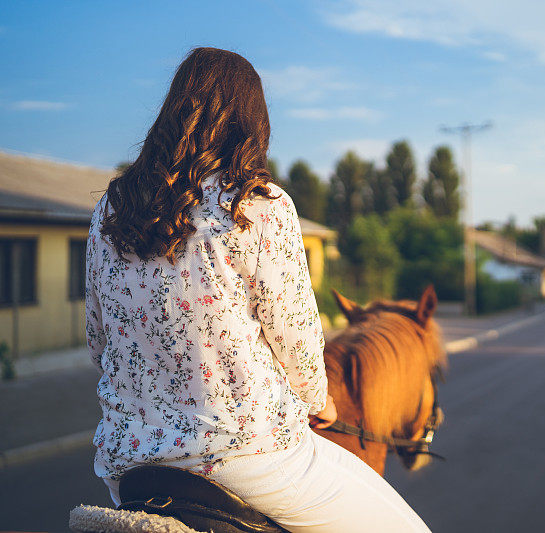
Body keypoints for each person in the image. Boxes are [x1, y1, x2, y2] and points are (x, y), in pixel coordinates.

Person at [85, 47, 430, 532]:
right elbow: (296, 336)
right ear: (251, 120)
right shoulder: (258, 206)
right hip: (246, 456)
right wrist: (320, 402)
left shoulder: (110, 210)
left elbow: (98, 347)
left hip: (128, 466)